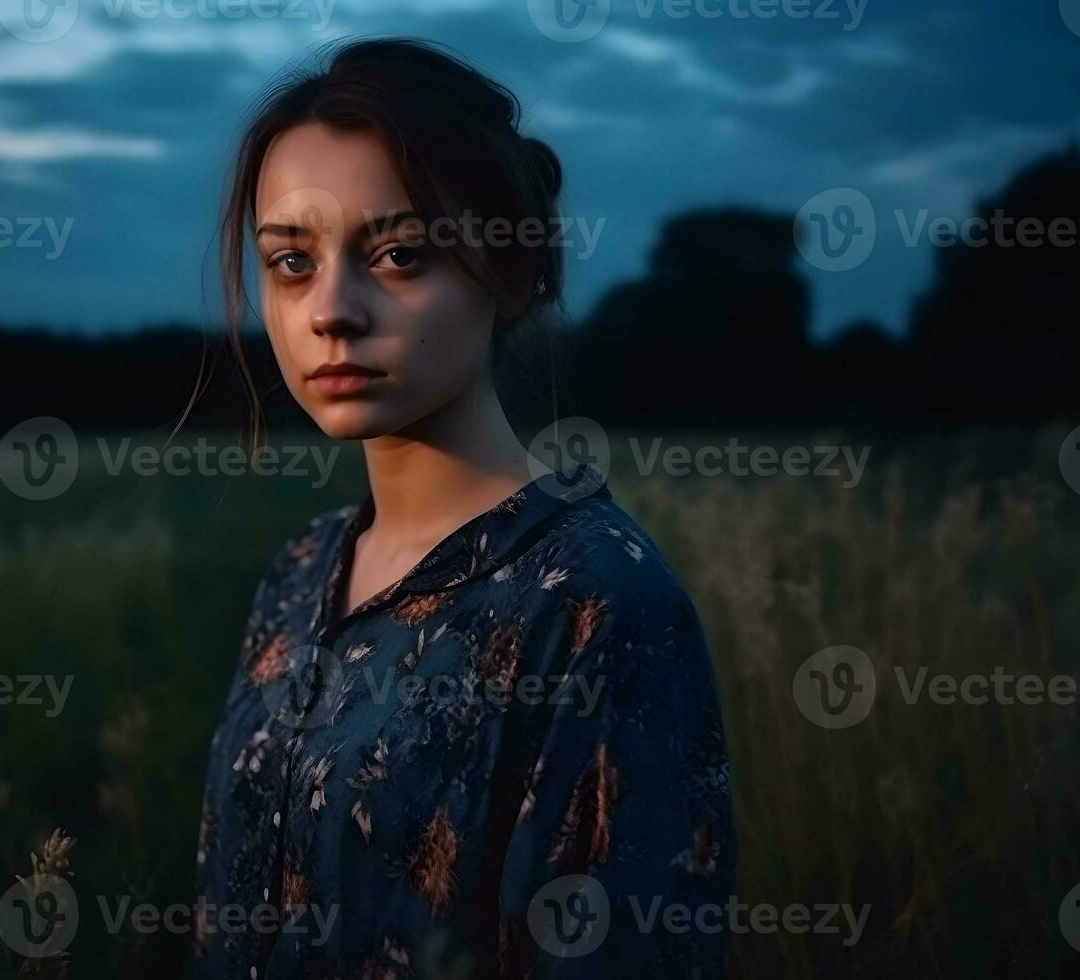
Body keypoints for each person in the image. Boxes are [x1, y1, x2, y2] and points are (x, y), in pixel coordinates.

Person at [192, 37, 734, 979]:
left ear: (512, 274)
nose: (331, 310)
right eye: (290, 262)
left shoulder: (595, 603)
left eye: (399, 253)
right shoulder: (300, 571)